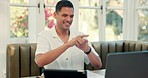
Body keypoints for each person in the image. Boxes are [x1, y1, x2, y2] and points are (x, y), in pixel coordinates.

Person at [35, 0, 102, 70]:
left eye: (71, 16)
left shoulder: (80, 36)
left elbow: (98, 65)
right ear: (55, 15)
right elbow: (40, 62)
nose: (69, 19)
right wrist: (67, 45)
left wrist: (87, 50)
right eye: (65, 15)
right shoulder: (44, 36)